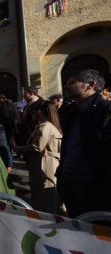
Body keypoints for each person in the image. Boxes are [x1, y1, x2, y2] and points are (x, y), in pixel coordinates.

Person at [56, 69, 111, 218]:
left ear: (90, 85)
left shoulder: (105, 111)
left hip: (94, 190)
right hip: (69, 185)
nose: (66, 86)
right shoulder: (71, 111)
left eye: (72, 82)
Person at [15, 101, 65, 214]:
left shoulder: (45, 126)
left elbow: (37, 147)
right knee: (50, 196)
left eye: (32, 112)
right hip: (49, 163)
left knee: (45, 197)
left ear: (38, 112)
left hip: (44, 165)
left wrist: (19, 149)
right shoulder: (50, 125)